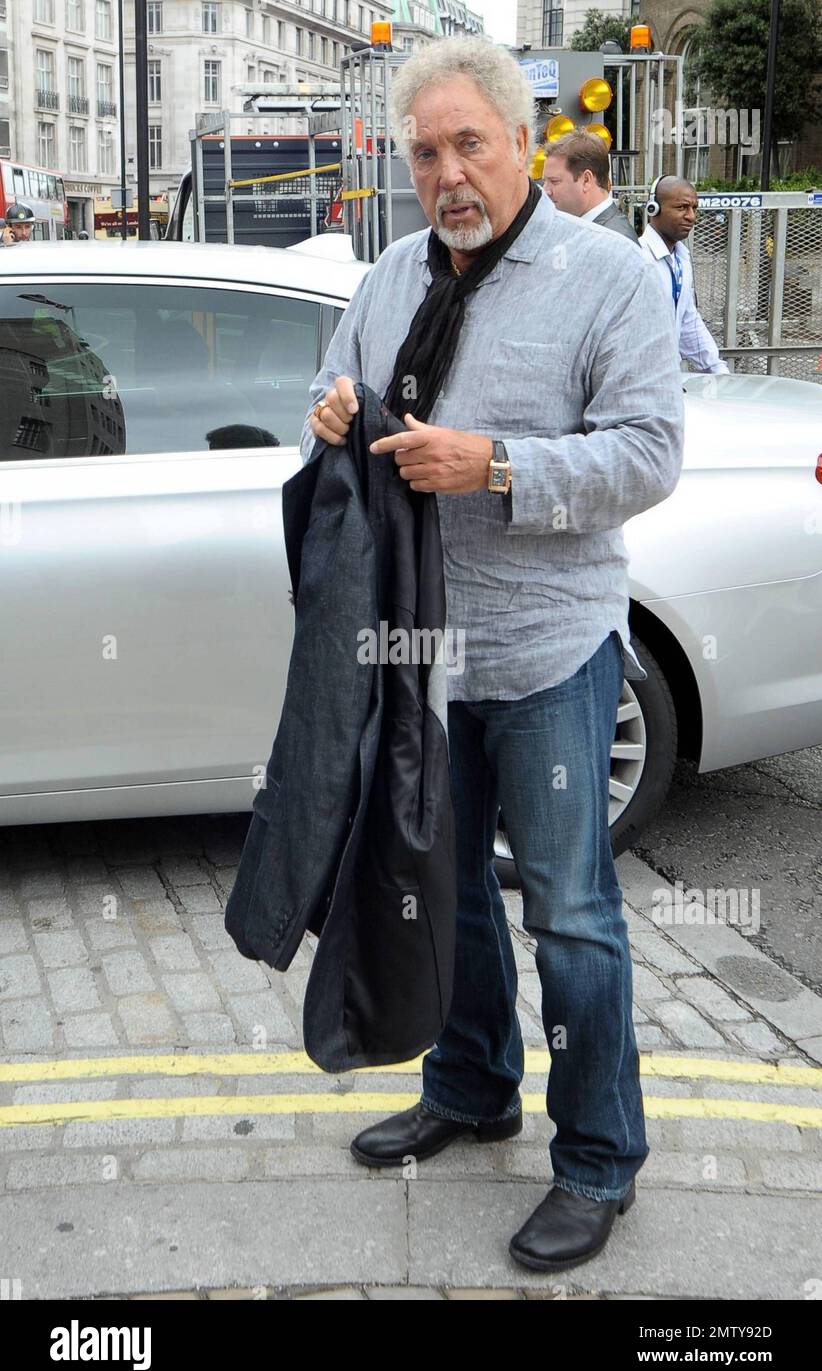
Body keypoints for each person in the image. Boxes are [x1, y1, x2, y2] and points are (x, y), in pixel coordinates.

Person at [302, 36, 684, 1273]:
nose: (448, 172)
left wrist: (500, 464)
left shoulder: (609, 276)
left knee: (571, 915)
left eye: (470, 142)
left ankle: (598, 1158)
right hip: (423, 654)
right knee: (444, 888)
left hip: (550, 651)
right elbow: (338, 383)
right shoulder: (393, 273)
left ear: (522, 142)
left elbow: (648, 454)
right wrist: (335, 412)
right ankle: (473, 1088)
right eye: (426, 151)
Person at [639, 175, 730, 374]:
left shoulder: (682, 259)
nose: (691, 216)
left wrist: (717, 370)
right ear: (653, 209)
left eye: (694, 208)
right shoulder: (639, 259)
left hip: (668, 378)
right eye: (681, 207)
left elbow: (688, 320)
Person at [541, 131, 640, 242]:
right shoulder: (598, 231)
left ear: (586, 180)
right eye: (545, 181)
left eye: (554, 181)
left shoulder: (615, 240)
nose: (546, 191)